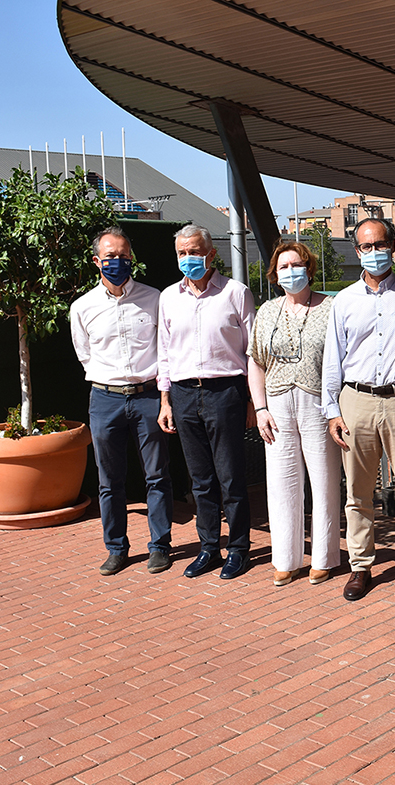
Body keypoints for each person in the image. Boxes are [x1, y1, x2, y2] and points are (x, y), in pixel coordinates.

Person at [322, 217, 395, 601]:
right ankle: (361, 566)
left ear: (393, 246)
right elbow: (333, 358)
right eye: (366, 246)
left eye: (380, 244)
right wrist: (332, 410)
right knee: (358, 492)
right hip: (357, 401)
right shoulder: (344, 300)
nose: (374, 252)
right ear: (357, 251)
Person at [70, 226, 173, 576]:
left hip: (148, 396)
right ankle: (116, 548)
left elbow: (165, 349)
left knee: (157, 475)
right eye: (110, 256)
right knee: (109, 480)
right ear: (96, 260)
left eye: (123, 255)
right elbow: (84, 354)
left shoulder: (154, 298)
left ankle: (160, 546)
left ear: (132, 258)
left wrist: (163, 397)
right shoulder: (82, 307)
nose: (117, 261)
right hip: (105, 399)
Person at [157, 224, 257, 580]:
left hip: (225, 392)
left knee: (230, 477)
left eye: (195, 252)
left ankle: (239, 549)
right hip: (183, 394)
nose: (189, 258)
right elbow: (164, 352)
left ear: (211, 254)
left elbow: (253, 351)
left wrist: (252, 401)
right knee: (200, 479)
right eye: (182, 253)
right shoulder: (168, 297)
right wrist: (165, 400)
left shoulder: (236, 293)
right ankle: (209, 547)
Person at [248, 241, 341, 588]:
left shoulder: (330, 308)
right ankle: (286, 559)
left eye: (296, 264)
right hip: (276, 406)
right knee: (281, 483)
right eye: (283, 267)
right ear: (274, 274)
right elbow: (255, 361)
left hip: (317, 403)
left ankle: (323, 558)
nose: (290, 272)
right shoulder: (267, 311)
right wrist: (260, 408)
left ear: (309, 268)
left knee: (324, 481)